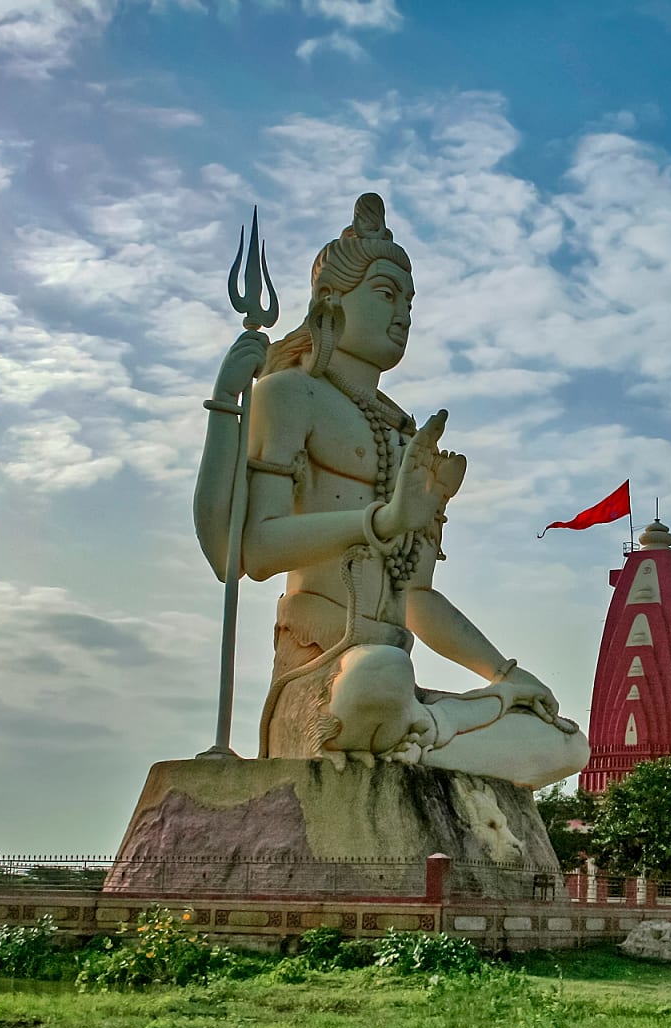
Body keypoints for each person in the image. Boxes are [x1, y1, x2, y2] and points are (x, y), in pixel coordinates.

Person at [193, 193, 588, 787]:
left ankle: (416, 737)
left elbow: (415, 597)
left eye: (409, 300)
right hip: (323, 674)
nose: (402, 313)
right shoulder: (290, 395)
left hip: (395, 676)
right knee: (377, 679)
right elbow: (250, 551)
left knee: (566, 743)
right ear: (332, 300)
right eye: (385, 294)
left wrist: (504, 674)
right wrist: (381, 520)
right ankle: (420, 738)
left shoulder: (407, 436)